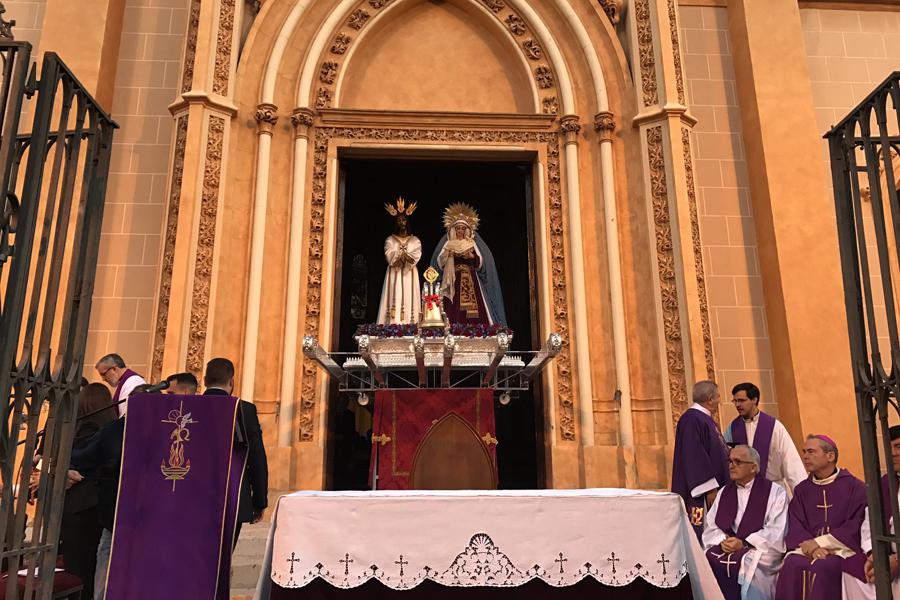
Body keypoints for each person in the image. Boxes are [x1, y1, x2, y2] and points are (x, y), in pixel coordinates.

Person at [775, 435, 868, 600]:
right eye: (804, 452)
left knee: (824, 567)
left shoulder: (855, 487)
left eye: (811, 452)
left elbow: (856, 524)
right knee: (791, 564)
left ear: (830, 456)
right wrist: (812, 547)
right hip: (807, 548)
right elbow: (795, 523)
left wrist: (821, 543)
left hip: (841, 549)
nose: (805, 456)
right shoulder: (802, 490)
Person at [703, 444, 788, 600]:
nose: (731, 466)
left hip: (757, 548)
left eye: (738, 462)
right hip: (727, 545)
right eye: (730, 461)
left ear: (753, 467)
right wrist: (724, 540)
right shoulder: (724, 492)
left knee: (751, 563)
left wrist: (744, 543)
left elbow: (776, 531)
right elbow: (711, 525)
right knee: (707, 559)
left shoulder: (775, 492)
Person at [58, 383, 118, 600]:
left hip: (80, 505)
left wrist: (60, 468)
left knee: (78, 568)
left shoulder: (86, 428)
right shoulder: (111, 428)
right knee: (94, 566)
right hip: (99, 505)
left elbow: (78, 460)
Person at [202, 358, 268, 547]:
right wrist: (259, 501)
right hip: (233, 495)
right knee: (223, 554)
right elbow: (256, 458)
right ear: (232, 381)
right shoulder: (244, 410)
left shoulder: (191, 406)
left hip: (196, 497)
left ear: (205, 380)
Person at [430, 202, 506, 326]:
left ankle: (477, 329)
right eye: (458, 228)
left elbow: (481, 262)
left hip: (471, 278)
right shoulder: (449, 244)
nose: (460, 231)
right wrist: (449, 255)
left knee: (475, 306)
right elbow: (439, 262)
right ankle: (452, 328)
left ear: (467, 230)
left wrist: (471, 256)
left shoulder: (471, 243)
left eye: (463, 228)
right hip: (453, 279)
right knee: (452, 306)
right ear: (454, 229)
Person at [672, 380, 730, 540]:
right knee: (703, 533)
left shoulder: (704, 418)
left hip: (714, 489)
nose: (720, 401)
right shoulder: (692, 419)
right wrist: (709, 488)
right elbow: (694, 455)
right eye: (718, 397)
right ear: (710, 399)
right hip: (702, 494)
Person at [725, 382, 806, 494]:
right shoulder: (732, 428)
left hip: (773, 490)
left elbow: (791, 462)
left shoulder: (774, 427)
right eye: (735, 401)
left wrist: (803, 495)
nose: (737, 405)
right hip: (743, 492)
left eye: (742, 400)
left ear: (754, 400)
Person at [376, 197, 422, 325]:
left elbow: (417, 253)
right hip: (394, 272)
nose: (402, 222)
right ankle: (393, 324)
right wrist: (399, 255)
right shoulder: (390, 240)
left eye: (404, 220)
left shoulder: (414, 240)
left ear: (407, 222)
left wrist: (406, 257)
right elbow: (388, 253)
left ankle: (411, 323)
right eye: (399, 220)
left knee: (409, 296)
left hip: (409, 272)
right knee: (394, 294)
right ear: (396, 223)